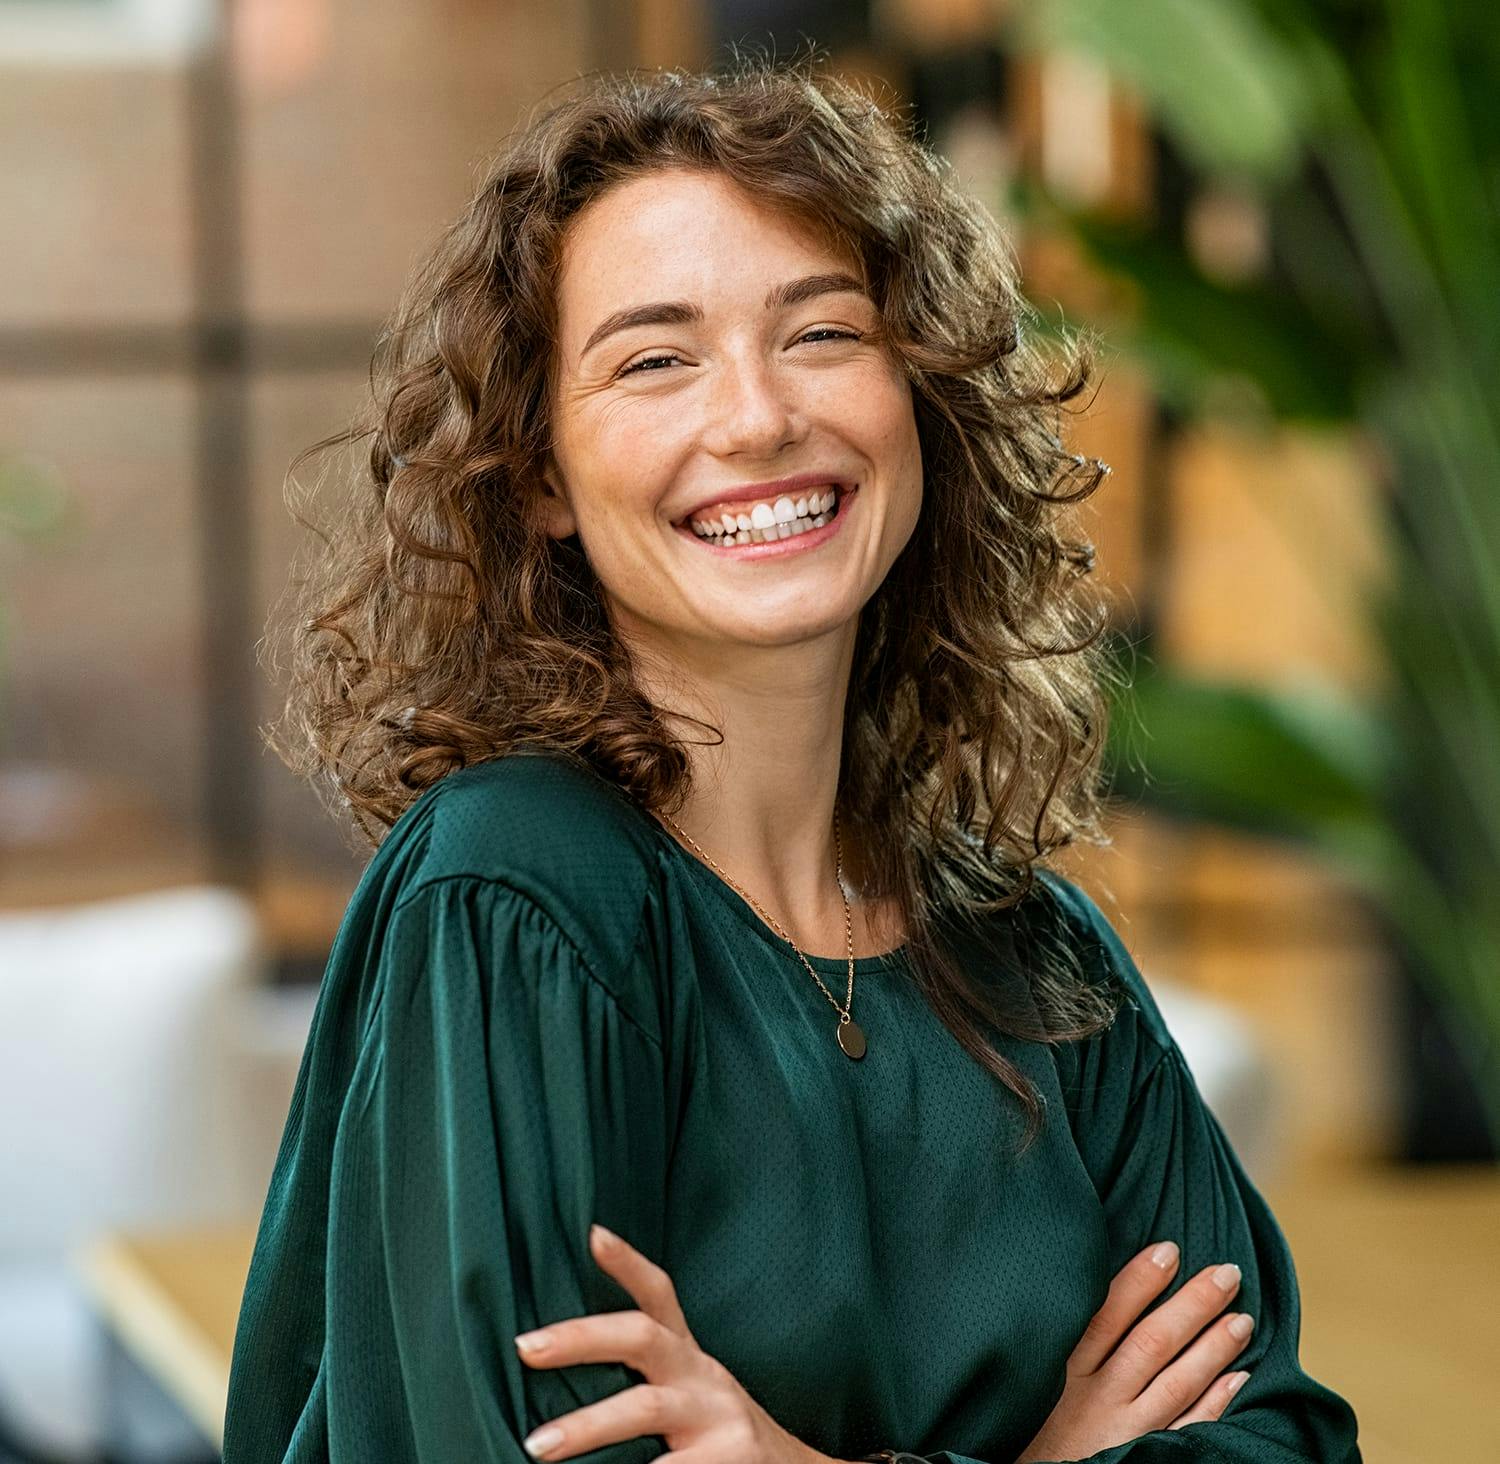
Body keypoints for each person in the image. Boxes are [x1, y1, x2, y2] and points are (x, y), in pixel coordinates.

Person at [222, 61, 1362, 1464]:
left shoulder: (1035, 956)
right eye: (654, 357)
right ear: (539, 478)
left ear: (919, 398)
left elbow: (1285, 1440)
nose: (757, 417)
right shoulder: (515, 894)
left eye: (822, 333)